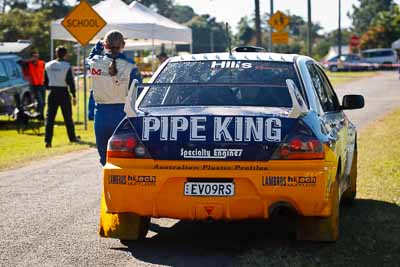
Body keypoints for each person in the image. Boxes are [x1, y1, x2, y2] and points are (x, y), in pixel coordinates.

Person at [87, 30, 142, 165]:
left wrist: (98, 46)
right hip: (122, 114)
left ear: (105, 45)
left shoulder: (94, 62)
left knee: (104, 157)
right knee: (125, 156)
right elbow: (138, 92)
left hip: (101, 114)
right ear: (123, 45)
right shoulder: (130, 65)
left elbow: (91, 56)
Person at [44, 46, 80, 148]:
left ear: (56, 53)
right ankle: (72, 138)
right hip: (63, 92)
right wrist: (73, 94)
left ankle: (48, 141)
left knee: (50, 118)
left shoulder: (48, 65)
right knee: (68, 117)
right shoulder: (67, 66)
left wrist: (50, 88)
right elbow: (70, 82)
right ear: (65, 54)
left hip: (52, 92)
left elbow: (45, 82)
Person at [26, 51, 46, 120]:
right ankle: (40, 116)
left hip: (42, 85)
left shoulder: (42, 63)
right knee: (40, 102)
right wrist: (30, 60)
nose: (36, 58)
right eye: (34, 56)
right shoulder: (28, 64)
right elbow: (21, 62)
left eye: (37, 56)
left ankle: (40, 115)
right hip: (34, 86)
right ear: (31, 57)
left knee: (43, 102)